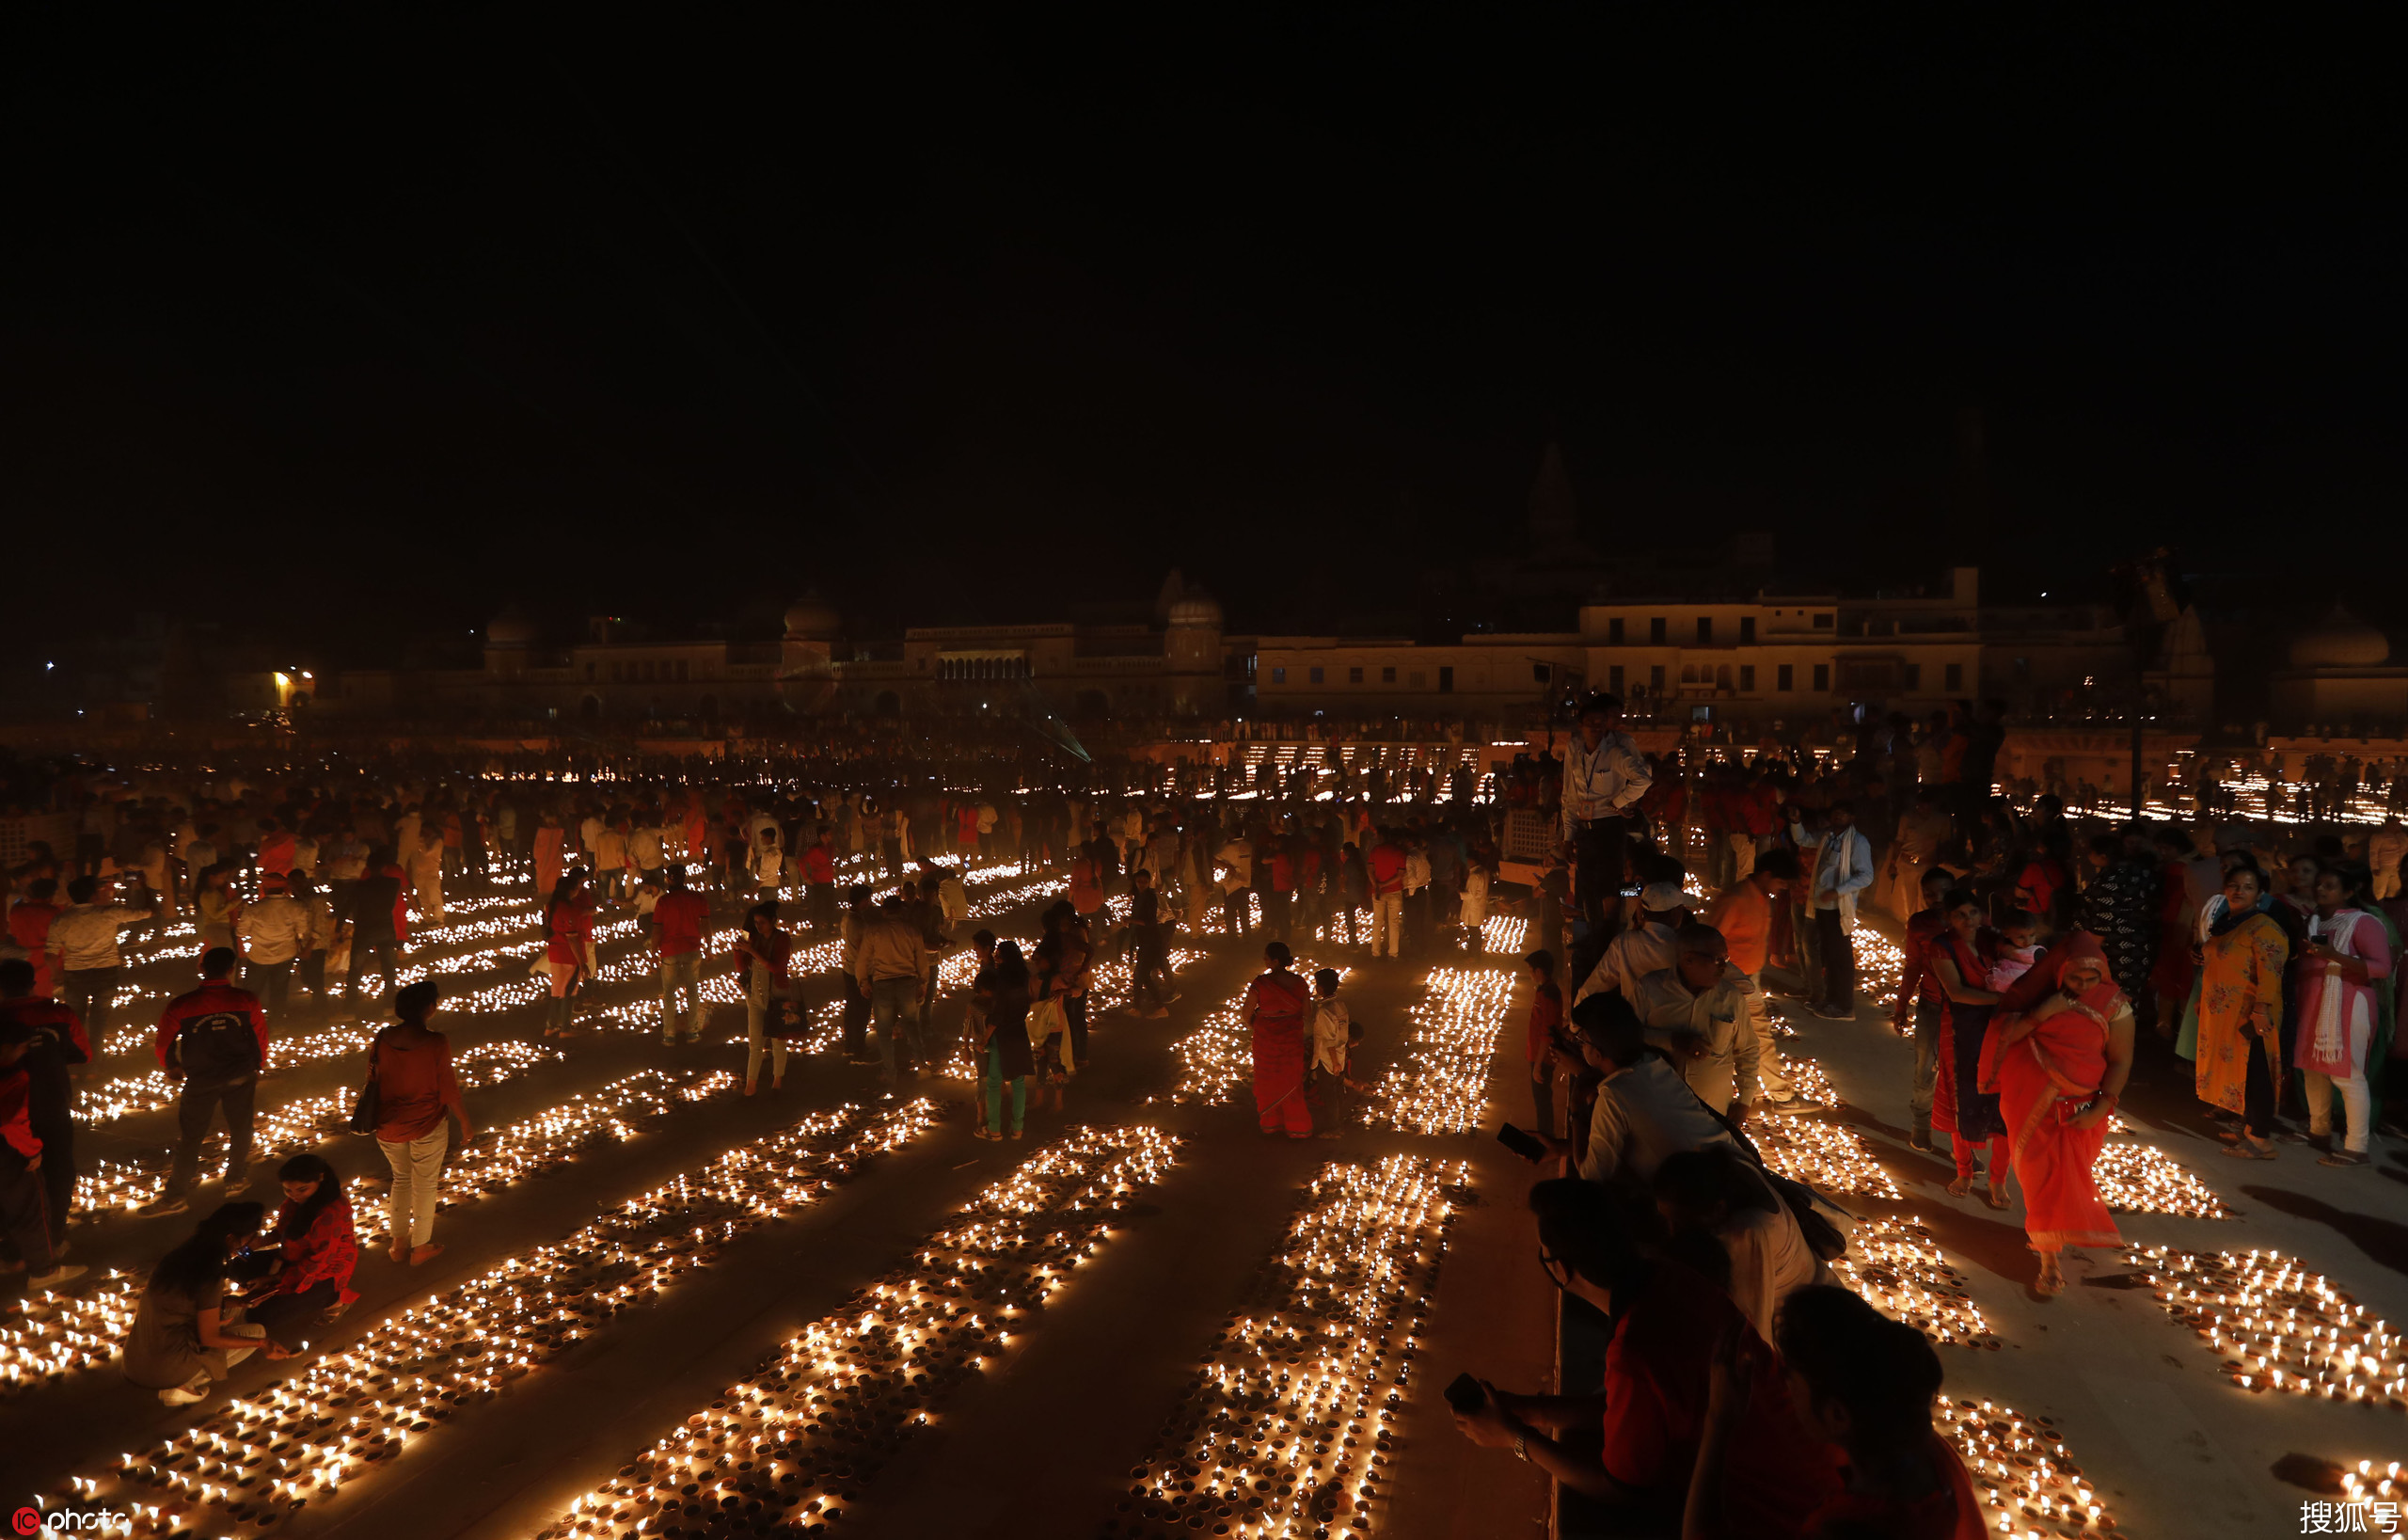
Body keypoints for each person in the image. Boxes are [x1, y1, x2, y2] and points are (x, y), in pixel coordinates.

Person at [1451, 1179, 1836, 1529]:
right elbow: (1646, 1406)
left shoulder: (1635, 1350)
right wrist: (1530, 1411)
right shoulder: (1675, 1279)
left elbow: (1620, 1488)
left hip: (1789, 1521)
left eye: (1543, 1252)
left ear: (1562, 1270)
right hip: (1822, 1471)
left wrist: (1516, 1439)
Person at [1684, 1285, 1986, 1540]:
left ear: (1837, 1415)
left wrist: (1718, 1421)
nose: (1783, 1383)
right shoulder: (1930, 1456)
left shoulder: (1843, 1527)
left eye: (1790, 1376)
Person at [1986, 933, 2131, 1295]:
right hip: (2034, 1099)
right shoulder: (2035, 994)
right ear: (2060, 972)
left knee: (2066, 1179)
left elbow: (2120, 1060)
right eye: (2074, 979)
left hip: (2084, 1107)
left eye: (2091, 980)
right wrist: (2041, 1014)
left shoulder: (2115, 1005)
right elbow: (2004, 1039)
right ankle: (2049, 1259)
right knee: (2042, 1182)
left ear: (2104, 975)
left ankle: (2048, 1240)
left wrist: (2102, 1107)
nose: (2082, 987)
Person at [142, 947, 271, 1216]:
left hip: (201, 1078)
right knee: (241, 1127)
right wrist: (258, 1064)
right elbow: (260, 1035)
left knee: (191, 1137)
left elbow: (164, 1041)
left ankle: (176, 1195)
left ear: (202, 969)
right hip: (240, 1074)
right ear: (231, 969)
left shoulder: (182, 1004)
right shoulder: (246, 999)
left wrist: (170, 1065)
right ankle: (236, 1179)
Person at [1652, 1146, 1818, 1345]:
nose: (1671, 1231)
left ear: (1718, 1209)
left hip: (1798, 1324)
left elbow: (1752, 1331)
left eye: (1680, 1223)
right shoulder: (1725, 1175)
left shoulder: (1744, 1235)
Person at [2184, 864, 2290, 1160]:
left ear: (2259, 893)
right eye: (2233, 885)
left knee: (2255, 1070)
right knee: (2240, 1071)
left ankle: (2260, 1140)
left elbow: (2271, 971)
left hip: (2252, 1012)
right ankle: (2248, 1127)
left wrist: (2261, 1008)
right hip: (2226, 1011)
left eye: (2247, 886)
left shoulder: (2264, 926)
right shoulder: (2229, 922)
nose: (2238, 891)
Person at [123, 1201, 278, 1405]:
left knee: (229, 1319)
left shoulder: (178, 1258)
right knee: (256, 1332)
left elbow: (185, 1302)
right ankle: (182, 1385)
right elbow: (210, 1338)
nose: (247, 1247)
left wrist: (236, 1302)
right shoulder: (209, 1275)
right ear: (230, 1239)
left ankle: (178, 1377)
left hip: (134, 1361)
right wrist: (263, 1344)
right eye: (248, 1240)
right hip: (163, 1370)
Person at [2292, 862, 2391, 1167]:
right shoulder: (2313, 921)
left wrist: (2334, 956)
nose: (2321, 890)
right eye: (2319, 884)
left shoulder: (2364, 922)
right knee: (2312, 1068)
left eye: (2330, 886)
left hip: (2349, 1002)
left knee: (2347, 1075)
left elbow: (2381, 967)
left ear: (2349, 892)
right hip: (2315, 1000)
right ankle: (2318, 1130)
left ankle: (2356, 1146)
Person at [368, 980, 467, 1266]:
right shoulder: (436, 1041)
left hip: (388, 1124)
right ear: (429, 1008)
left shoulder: (383, 1037)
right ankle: (420, 1246)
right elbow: (447, 1087)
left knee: (401, 1179)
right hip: (427, 1122)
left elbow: (373, 1078)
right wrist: (465, 1122)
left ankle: (398, 1244)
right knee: (424, 1185)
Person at [1630, 924, 1767, 1123]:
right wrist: (1671, 1040)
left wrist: (1744, 1102)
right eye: (1717, 960)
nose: (1724, 967)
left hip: (1712, 1112)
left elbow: (1747, 1049)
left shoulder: (1731, 997)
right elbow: (1628, 1036)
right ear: (1688, 959)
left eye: (1726, 959)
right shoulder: (1650, 989)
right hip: (1657, 1105)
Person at [1558, 694, 1655, 971]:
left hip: (1611, 824)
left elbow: (1643, 777)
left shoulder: (1619, 748)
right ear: (1581, 724)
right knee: (1587, 888)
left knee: (1610, 891)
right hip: (1585, 827)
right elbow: (1569, 794)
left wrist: (1620, 802)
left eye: (1605, 721)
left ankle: (1607, 947)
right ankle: (1593, 941)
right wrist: (1568, 835)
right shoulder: (1574, 748)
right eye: (1593, 722)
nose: (1600, 726)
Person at [1927, 892, 2008, 1206]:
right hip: (1963, 1030)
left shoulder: (1993, 941)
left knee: (2004, 1104)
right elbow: (1957, 992)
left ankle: (1999, 1180)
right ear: (1949, 918)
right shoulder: (1942, 946)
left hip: (2002, 1029)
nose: (1969, 920)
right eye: (1960, 914)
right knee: (1962, 1098)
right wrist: (2006, 1001)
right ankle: (1964, 1171)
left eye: (1973, 911)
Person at [0, 959, 87, 1247]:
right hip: (52, 1101)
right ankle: (54, 1237)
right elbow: (81, 1052)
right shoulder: (58, 1013)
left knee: (12, 1180)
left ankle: (13, 1249)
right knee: (59, 1171)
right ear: (33, 983)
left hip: (7, 1111)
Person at [246, 1153, 358, 1350]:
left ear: (320, 1178)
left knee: (257, 1317)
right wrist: (255, 1243)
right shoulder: (295, 1202)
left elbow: (317, 1263)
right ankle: (274, 1293)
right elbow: (285, 1231)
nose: (294, 1195)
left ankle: (334, 1300)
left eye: (302, 1189)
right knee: (239, 1266)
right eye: (287, 1190)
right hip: (293, 1257)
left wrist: (273, 1280)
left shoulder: (330, 1213)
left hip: (325, 1272)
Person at [46, 872, 161, 1054]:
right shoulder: (109, 913)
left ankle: (77, 1060)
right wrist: (145, 888)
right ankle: (94, 1066)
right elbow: (148, 912)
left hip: (75, 974)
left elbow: (50, 954)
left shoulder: (61, 920)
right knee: (99, 1020)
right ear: (93, 895)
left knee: (75, 1020)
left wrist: (56, 975)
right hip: (105, 972)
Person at [1893, 866, 1957, 1151]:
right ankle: (1921, 1124)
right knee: (1925, 1067)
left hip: (1964, 1011)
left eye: (1943, 892)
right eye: (1930, 894)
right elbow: (1913, 966)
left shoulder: (1970, 920)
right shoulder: (1920, 924)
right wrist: (1901, 1005)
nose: (1937, 898)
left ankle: (1965, 1145)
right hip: (1931, 1005)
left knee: (1962, 1076)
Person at [1791, 802, 1874, 1019]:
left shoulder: (1857, 842)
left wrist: (1838, 891)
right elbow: (1802, 839)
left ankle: (1845, 1005)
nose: (1838, 816)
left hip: (1838, 906)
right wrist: (1796, 822)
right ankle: (1830, 1000)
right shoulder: (1827, 836)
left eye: (1843, 813)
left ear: (1851, 816)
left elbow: (1866, 876)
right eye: (1835, 813)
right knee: (1828, 954)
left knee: (1841, 957)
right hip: (1821, 904)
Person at [856, 895, 930, 1089]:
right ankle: (922, 1065)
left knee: (884, 1032)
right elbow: (921, 959)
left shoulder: (874, 931)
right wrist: (923, 982)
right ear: (901, 910)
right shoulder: (911, 930)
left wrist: (863, 982)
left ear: (884, 911)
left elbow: (863, 959)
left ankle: (891, 1072)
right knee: (912, 1025)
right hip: (907, 982)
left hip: (883, 983)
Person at [1572, 881, 1687, 1007]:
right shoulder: (1684, 947)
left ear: (1642, 910)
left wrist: (1575, 1024)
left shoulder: (1624, 943)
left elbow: (1595, 986)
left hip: (1633, 1022)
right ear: (1676, 912)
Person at [1246, 941, 1314, 1138]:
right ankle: (1297, 1127)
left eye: (1266, 957)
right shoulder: (1300, 982)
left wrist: (1260, 1023)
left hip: (1266, 1039)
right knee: (1291, 1081)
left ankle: (1272, 1123)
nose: (1264, 960)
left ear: (1275, 961)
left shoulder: (1260, 984)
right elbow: (1307, 1012)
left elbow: (1246, 1013)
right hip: (1291, 1039)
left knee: (1268, 1080)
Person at [975, 940, 1035, 1141]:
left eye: (999, 955)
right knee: (1018, 1082)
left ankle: (994, 1129)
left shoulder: (1001, 980)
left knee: (994, 1082)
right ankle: (1018, 1128)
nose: (995, 958)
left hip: (1002, 1035)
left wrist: (984, 1040)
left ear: (1006, 957)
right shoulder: (1024, 976)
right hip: (1020, 1030)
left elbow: (998, 1014)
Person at [734, 900, 794, 1095]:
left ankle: (778, 1080)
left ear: (773, 921)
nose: (758, 926)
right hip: (755, 996)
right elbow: (743, 968)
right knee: (755, 1043)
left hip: (777, 995)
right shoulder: (756, 939)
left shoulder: (782, 939)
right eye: (756, 922)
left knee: (778, 1040)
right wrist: (737, 952)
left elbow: (777, 968)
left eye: (762, 922)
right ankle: (751, 1085)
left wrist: (751, 951)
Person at [236, 873, 310, 1023]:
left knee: (252, 992)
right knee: (279, 990)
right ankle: (277, 1022)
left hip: (259, 956)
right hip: (285, 955)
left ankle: (248, 1022)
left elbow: (241, 931)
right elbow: (302, 930)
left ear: (264, 887)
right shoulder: (296, 906)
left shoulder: (254, 908)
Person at [341, 849, 406, 1007]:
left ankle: (350, 1009)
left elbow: (346, 907)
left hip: (364, 930)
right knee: (389, 969)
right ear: (384, 867)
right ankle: (389, 1006)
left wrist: (338, 929)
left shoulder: (360, 886)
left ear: (368, 867)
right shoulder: (393, 883)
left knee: (355, 970)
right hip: (385, 930)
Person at [654, 865, 709, 1046]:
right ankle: (692, 1031)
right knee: (692, 990)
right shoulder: (697, 898)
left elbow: (657, 929)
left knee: (669, 992)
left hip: (669, 950)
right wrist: (709, 947)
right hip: (692, 948)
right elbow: (706, 925)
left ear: (669, 879)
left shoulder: (664, 902)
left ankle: (669, 1034)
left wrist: (653, 951)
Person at [542, 865, 596, 1040]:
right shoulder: (568, 909)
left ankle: (550, 1027)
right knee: (569, 992)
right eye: (576, 889)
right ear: (570, 890)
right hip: (568, 955)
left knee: (556, 991)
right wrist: (581, 962)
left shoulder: (551, 905)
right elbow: (572, 938)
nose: (578, 891)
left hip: (555, 953)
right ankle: (565, 1028)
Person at [1307, 966, 1358, 1136]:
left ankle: (1334, 1128)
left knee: (1329, 1094)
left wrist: (1335, 1063)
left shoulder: (1324, 1011)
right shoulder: (1340, 1005)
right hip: (1340, 1054)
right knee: (1336, 1092)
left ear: (1320, 988)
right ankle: (1337, 1123)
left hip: (1327, 1059)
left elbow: (1329, 1041)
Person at [1526, 949, 1566, 1135]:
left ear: (1539, 971)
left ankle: (1545, 1139)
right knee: (1540, 1099)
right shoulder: (1546, 990)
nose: (1530, 974)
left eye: (1531, 970)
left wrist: (1538, 1065)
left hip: (1542, 1057)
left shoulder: (1547, 996)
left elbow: (1547, 1033)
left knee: (1542, 1100)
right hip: (1538, 1054)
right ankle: (1545, 1137)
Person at [1367, 828, 1407, 958]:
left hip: (1378, 891)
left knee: (1377, 921)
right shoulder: (1399, 852)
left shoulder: (1375, 851)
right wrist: (1385, 885)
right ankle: (1393, 953)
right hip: (1394, 891)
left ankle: (1375, 952)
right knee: (1394, 923)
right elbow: (1400, 874)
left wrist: (1377, 885)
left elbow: (1369, 870)